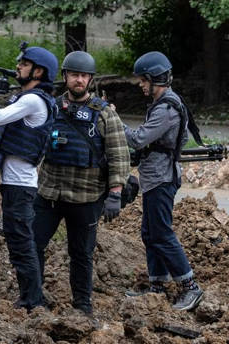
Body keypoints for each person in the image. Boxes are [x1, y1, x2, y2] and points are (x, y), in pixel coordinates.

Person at [32, 51, 131, 316]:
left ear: (90, 80)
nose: (79, 80)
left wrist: (115, 192)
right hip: (50, 193)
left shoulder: (104, 115)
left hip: (86, 197)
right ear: (65, 77)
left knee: (81, 254)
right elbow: (35, 143)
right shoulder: (50, 107)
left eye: (84, 76)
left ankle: (82, 306)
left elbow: (120, 154)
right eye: (74, 75)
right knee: (34, 242)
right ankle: (32, 296)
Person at [0, 44, 58, 312]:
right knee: (17, 241)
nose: (18, 66)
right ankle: (28, 297)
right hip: (13, 184)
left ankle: (33, 300)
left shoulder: (34, 100)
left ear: (39, 71)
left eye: (24, 64)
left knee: (22, 242)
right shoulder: (25, 98)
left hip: (21, 186)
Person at [124, 51, 204, 311]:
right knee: (150, 233)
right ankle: (157, 286)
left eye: (143, 80)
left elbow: (138, 139)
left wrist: (113, 120)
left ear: (154, 78)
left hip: (161, 178)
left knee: (161, 233)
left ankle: (190, 287)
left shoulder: (167, 108)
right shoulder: (163, 103)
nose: (141, 85)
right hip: (154, 176)